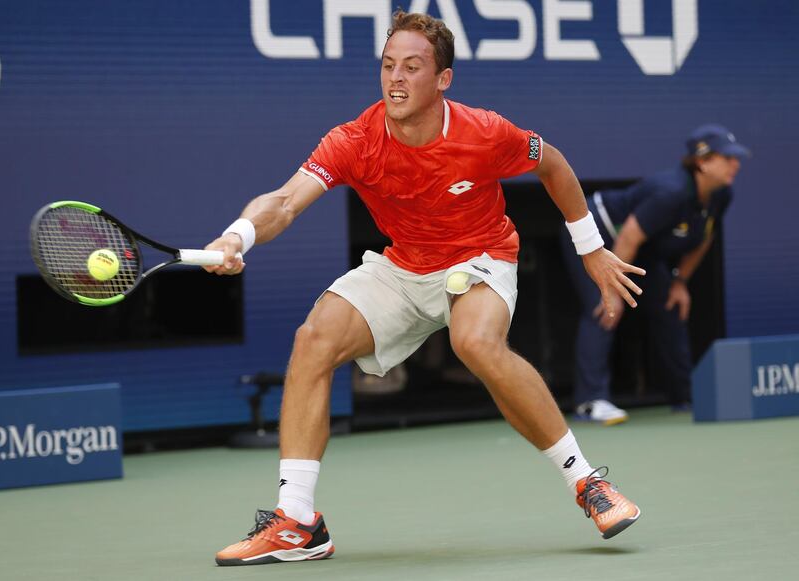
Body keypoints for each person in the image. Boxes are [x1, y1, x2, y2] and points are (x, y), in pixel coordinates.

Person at [205, 11, 644, 566]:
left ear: (443, 79)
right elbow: (285, 201)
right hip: (405, 266)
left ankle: (587, 484)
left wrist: (591, 248)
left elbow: (552, 164)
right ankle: (297, 522)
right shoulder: (353, 141)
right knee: (313, 338)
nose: (396, 79)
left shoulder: (485, 132)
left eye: (412, 68)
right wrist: (237, 235)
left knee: (475, 342)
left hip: (480, 257)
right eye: (389, 66)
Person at [561, 124, 750, 425]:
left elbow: (704, 238)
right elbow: (629, 238)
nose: (736, 164)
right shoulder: (671, 192)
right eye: (727, 158)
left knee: (669, 306)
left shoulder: (721, 195)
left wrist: (680, 282)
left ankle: (684, 397)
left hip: (643, 246)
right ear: (702, 161)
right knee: (604, 308)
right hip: (598, 235)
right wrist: (613, 289)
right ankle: (590, 402)